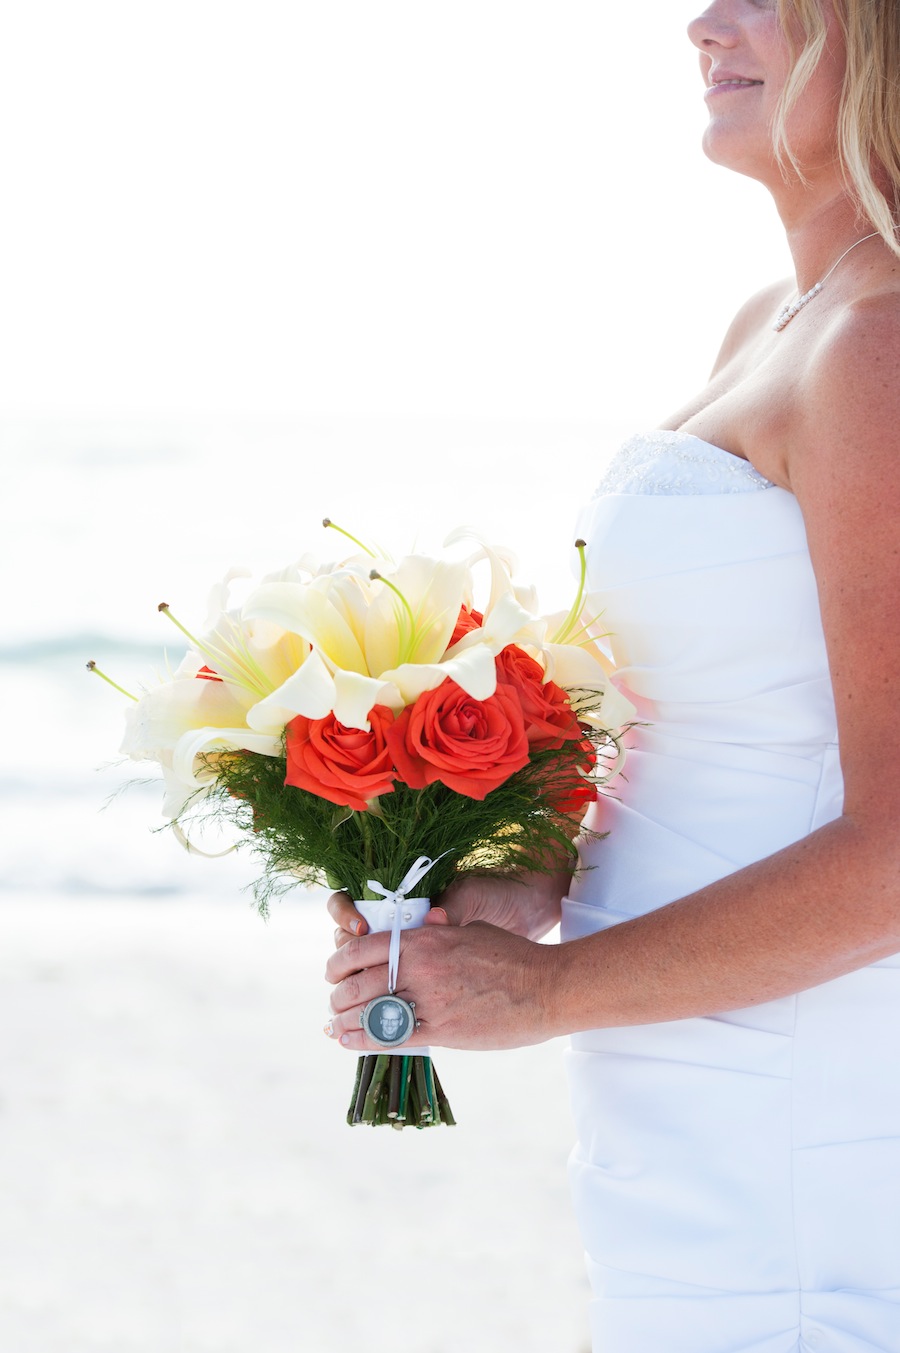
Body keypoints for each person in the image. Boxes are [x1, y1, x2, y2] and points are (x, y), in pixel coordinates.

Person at [326, 2, 900, 1348]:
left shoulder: (877, 351)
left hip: (803, 1117)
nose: (704, 22)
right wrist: (516, 872)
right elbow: (717, 735)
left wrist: (541, 996)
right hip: (682, 1108)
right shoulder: (781, 317)